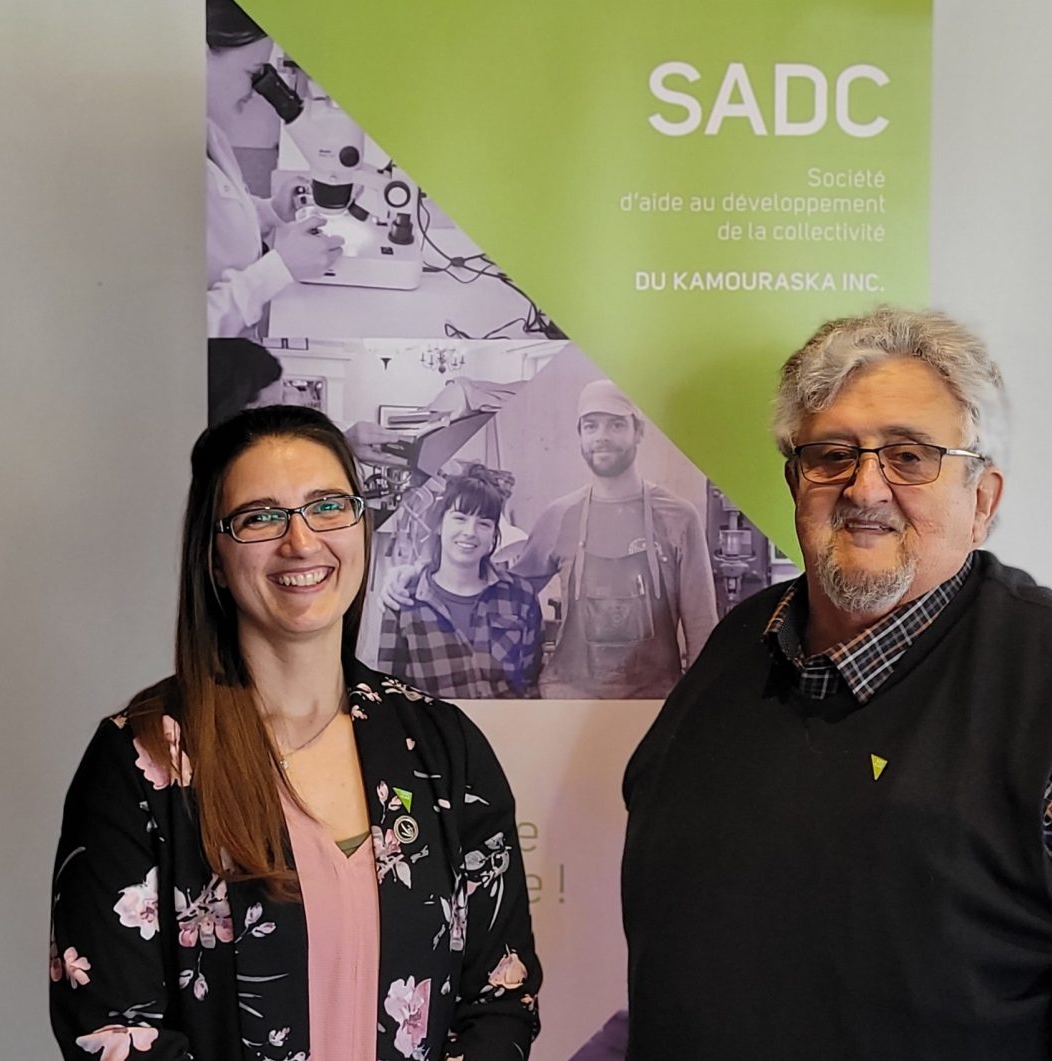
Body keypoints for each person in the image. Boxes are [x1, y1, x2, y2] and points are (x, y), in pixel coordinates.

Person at [619, 307, 1052, 1059]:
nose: (865, 487)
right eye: (832, 454)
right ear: (796, 481)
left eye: (909, 455)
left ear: (982, 499)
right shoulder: (737, 646)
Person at [48, 406, 540, 1061]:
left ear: (362, 526)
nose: (301, 541)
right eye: (260, 517)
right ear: (214, 557)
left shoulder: (444, 748)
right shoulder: (144, 760)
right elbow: (114, 1030)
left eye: (328, 506)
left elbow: (501, 996)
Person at [384, 379, 718, 699]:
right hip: (567, 700)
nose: (602, 436)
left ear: (639, 431)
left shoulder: (678, 517)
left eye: (616, 425)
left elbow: (702, 627)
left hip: (653, 701)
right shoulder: (559, 516)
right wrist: (415, 573)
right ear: (580, 434)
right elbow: (500, 587)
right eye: (591, 426)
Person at [206, 0, 341, 338]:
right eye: (253, 73)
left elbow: (214, 215)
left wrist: (270, 211)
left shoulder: (207, 129)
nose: (256, 92)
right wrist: (278, 269)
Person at [378, 464, 543, 698]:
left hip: (506, 721)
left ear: (494, 535)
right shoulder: (404, 600)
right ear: (439, 525)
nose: (470, 532)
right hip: (434, 723)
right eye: (460, 518)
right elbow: (389, 693)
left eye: (484, 523)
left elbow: (531, 684)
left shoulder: (521, 597)